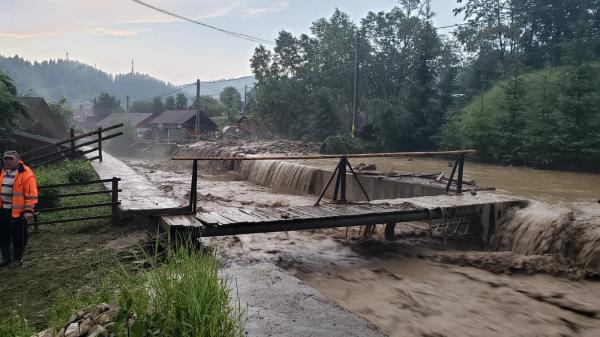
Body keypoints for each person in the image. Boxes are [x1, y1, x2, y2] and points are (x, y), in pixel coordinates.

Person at [0, 150, 38, 267]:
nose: (8, 161)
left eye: (11, 158)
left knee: (18, 237)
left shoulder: (26, 173)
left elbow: (31, 194)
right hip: (2, 210)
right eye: (6, 159)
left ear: (18, 159)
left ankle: (17, 259)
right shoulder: (2, 172)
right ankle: (6, 258)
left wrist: (28, 210)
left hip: (18, 212)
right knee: (2, 235)